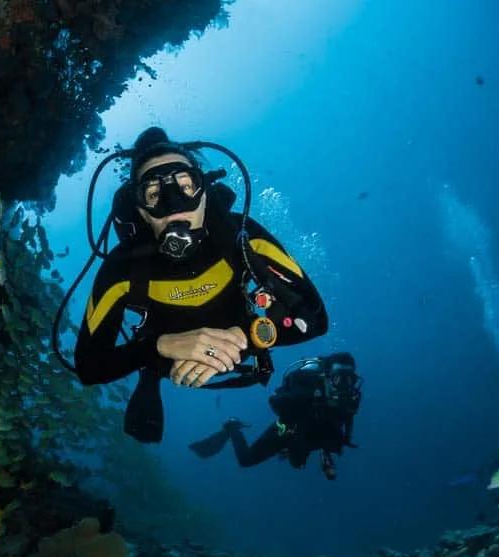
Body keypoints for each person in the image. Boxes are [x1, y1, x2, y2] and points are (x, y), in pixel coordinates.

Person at [73, 127, 328, 442]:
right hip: (166, 361)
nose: (173, 204)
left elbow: (315, 318)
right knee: (151, 366)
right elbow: (89, 367)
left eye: (185, 186)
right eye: (153, 194)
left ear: (205, 191)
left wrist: (245, 337)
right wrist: (158, 346)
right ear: (140, 210)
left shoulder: (243, 237)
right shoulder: (122, 269)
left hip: (244, 344)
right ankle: (150, 375)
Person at [189, 353, 362, 480]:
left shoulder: (352, 397)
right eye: (340, 379)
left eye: (350, 380)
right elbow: (274, 401)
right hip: (289, 430)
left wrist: (338, 442)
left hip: (318, 433)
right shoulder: (305, 389)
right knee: (246, 460)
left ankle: (319, 454)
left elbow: (347, 419)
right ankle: (232, 427)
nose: (346, 386)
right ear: (328, 377)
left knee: (302, 459)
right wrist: (300, 405)